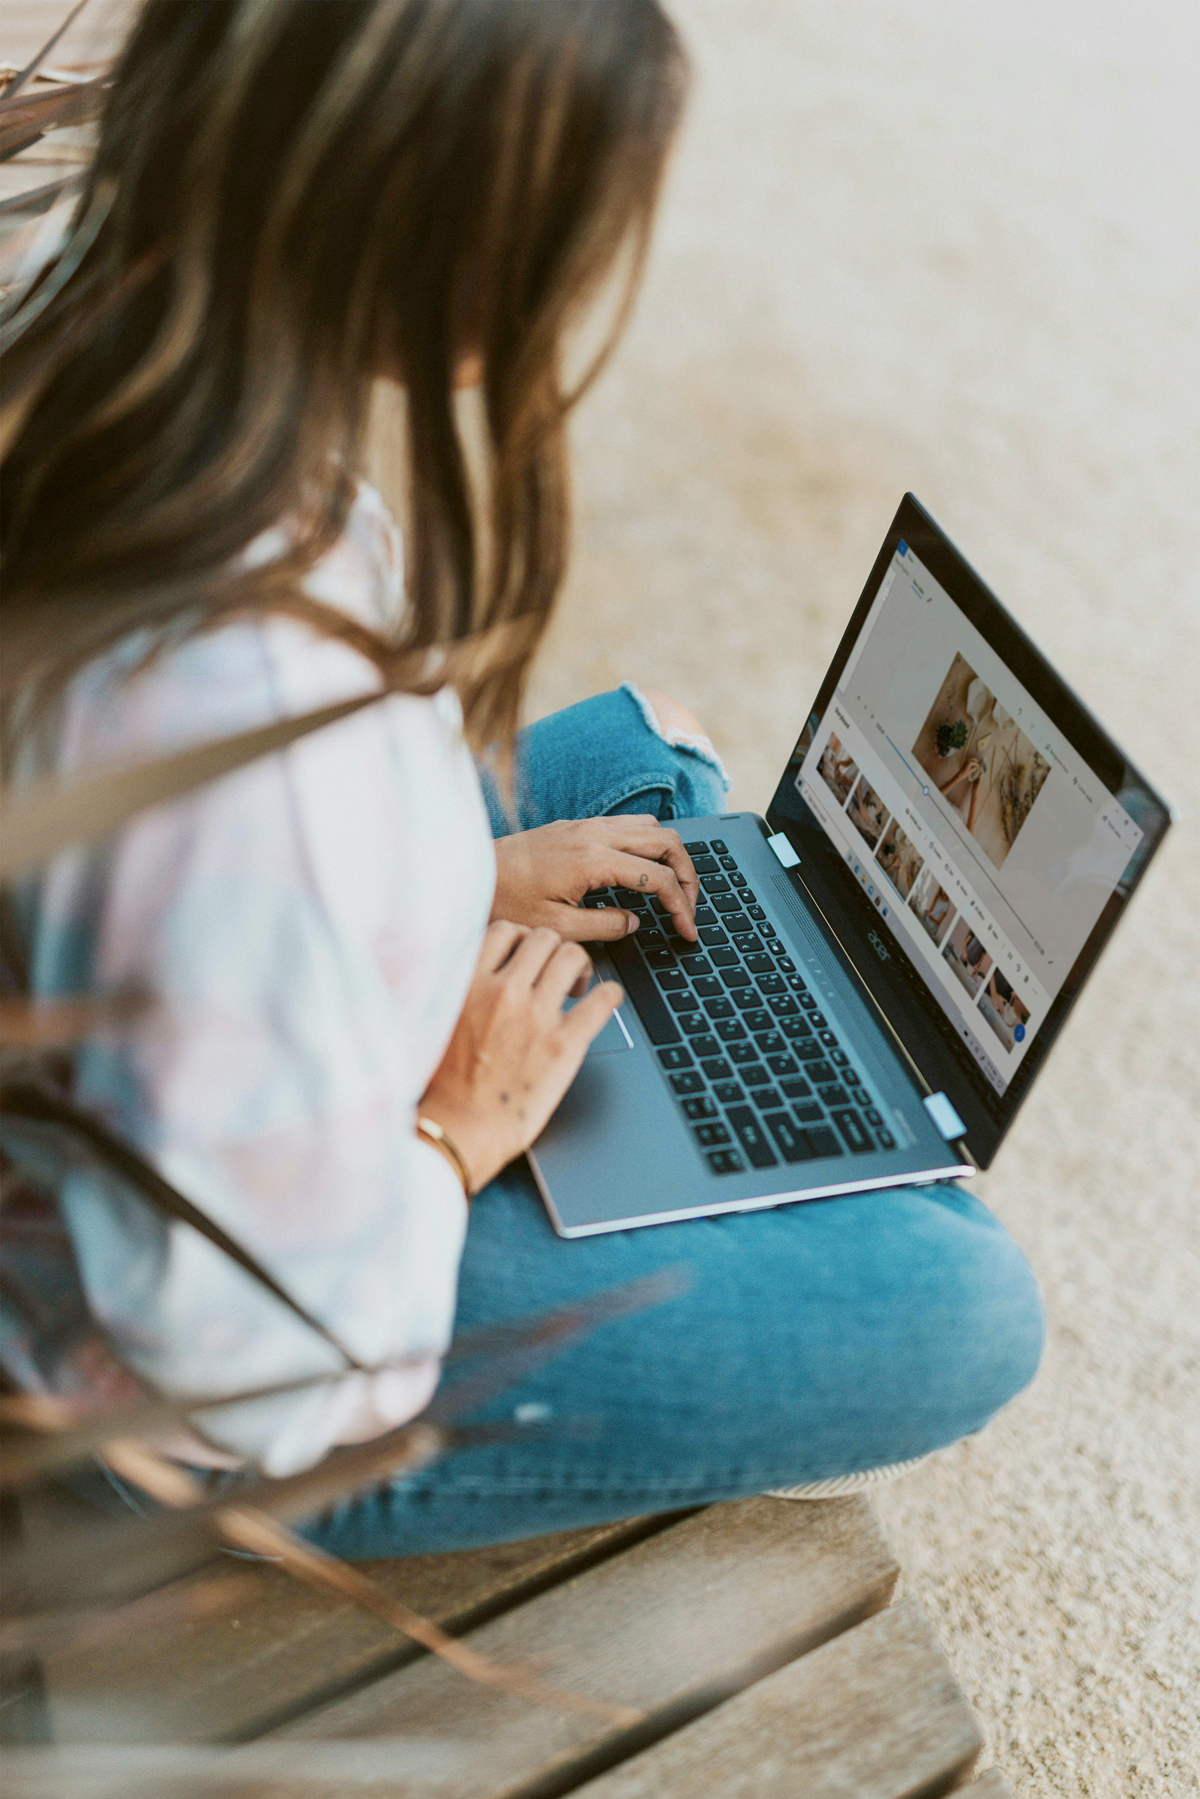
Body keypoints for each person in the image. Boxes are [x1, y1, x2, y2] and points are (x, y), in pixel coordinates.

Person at [0, 0, 1042, 1554]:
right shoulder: (245, 735)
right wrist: (454, 1136)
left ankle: (744, 1131)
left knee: (648, 748)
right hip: (183, 1388)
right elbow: (243, 1368)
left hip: (197, 1023)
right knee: (965, 1305)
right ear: (469, 265)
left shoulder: (97, 280)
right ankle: (760, 1176)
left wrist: (455, 880)